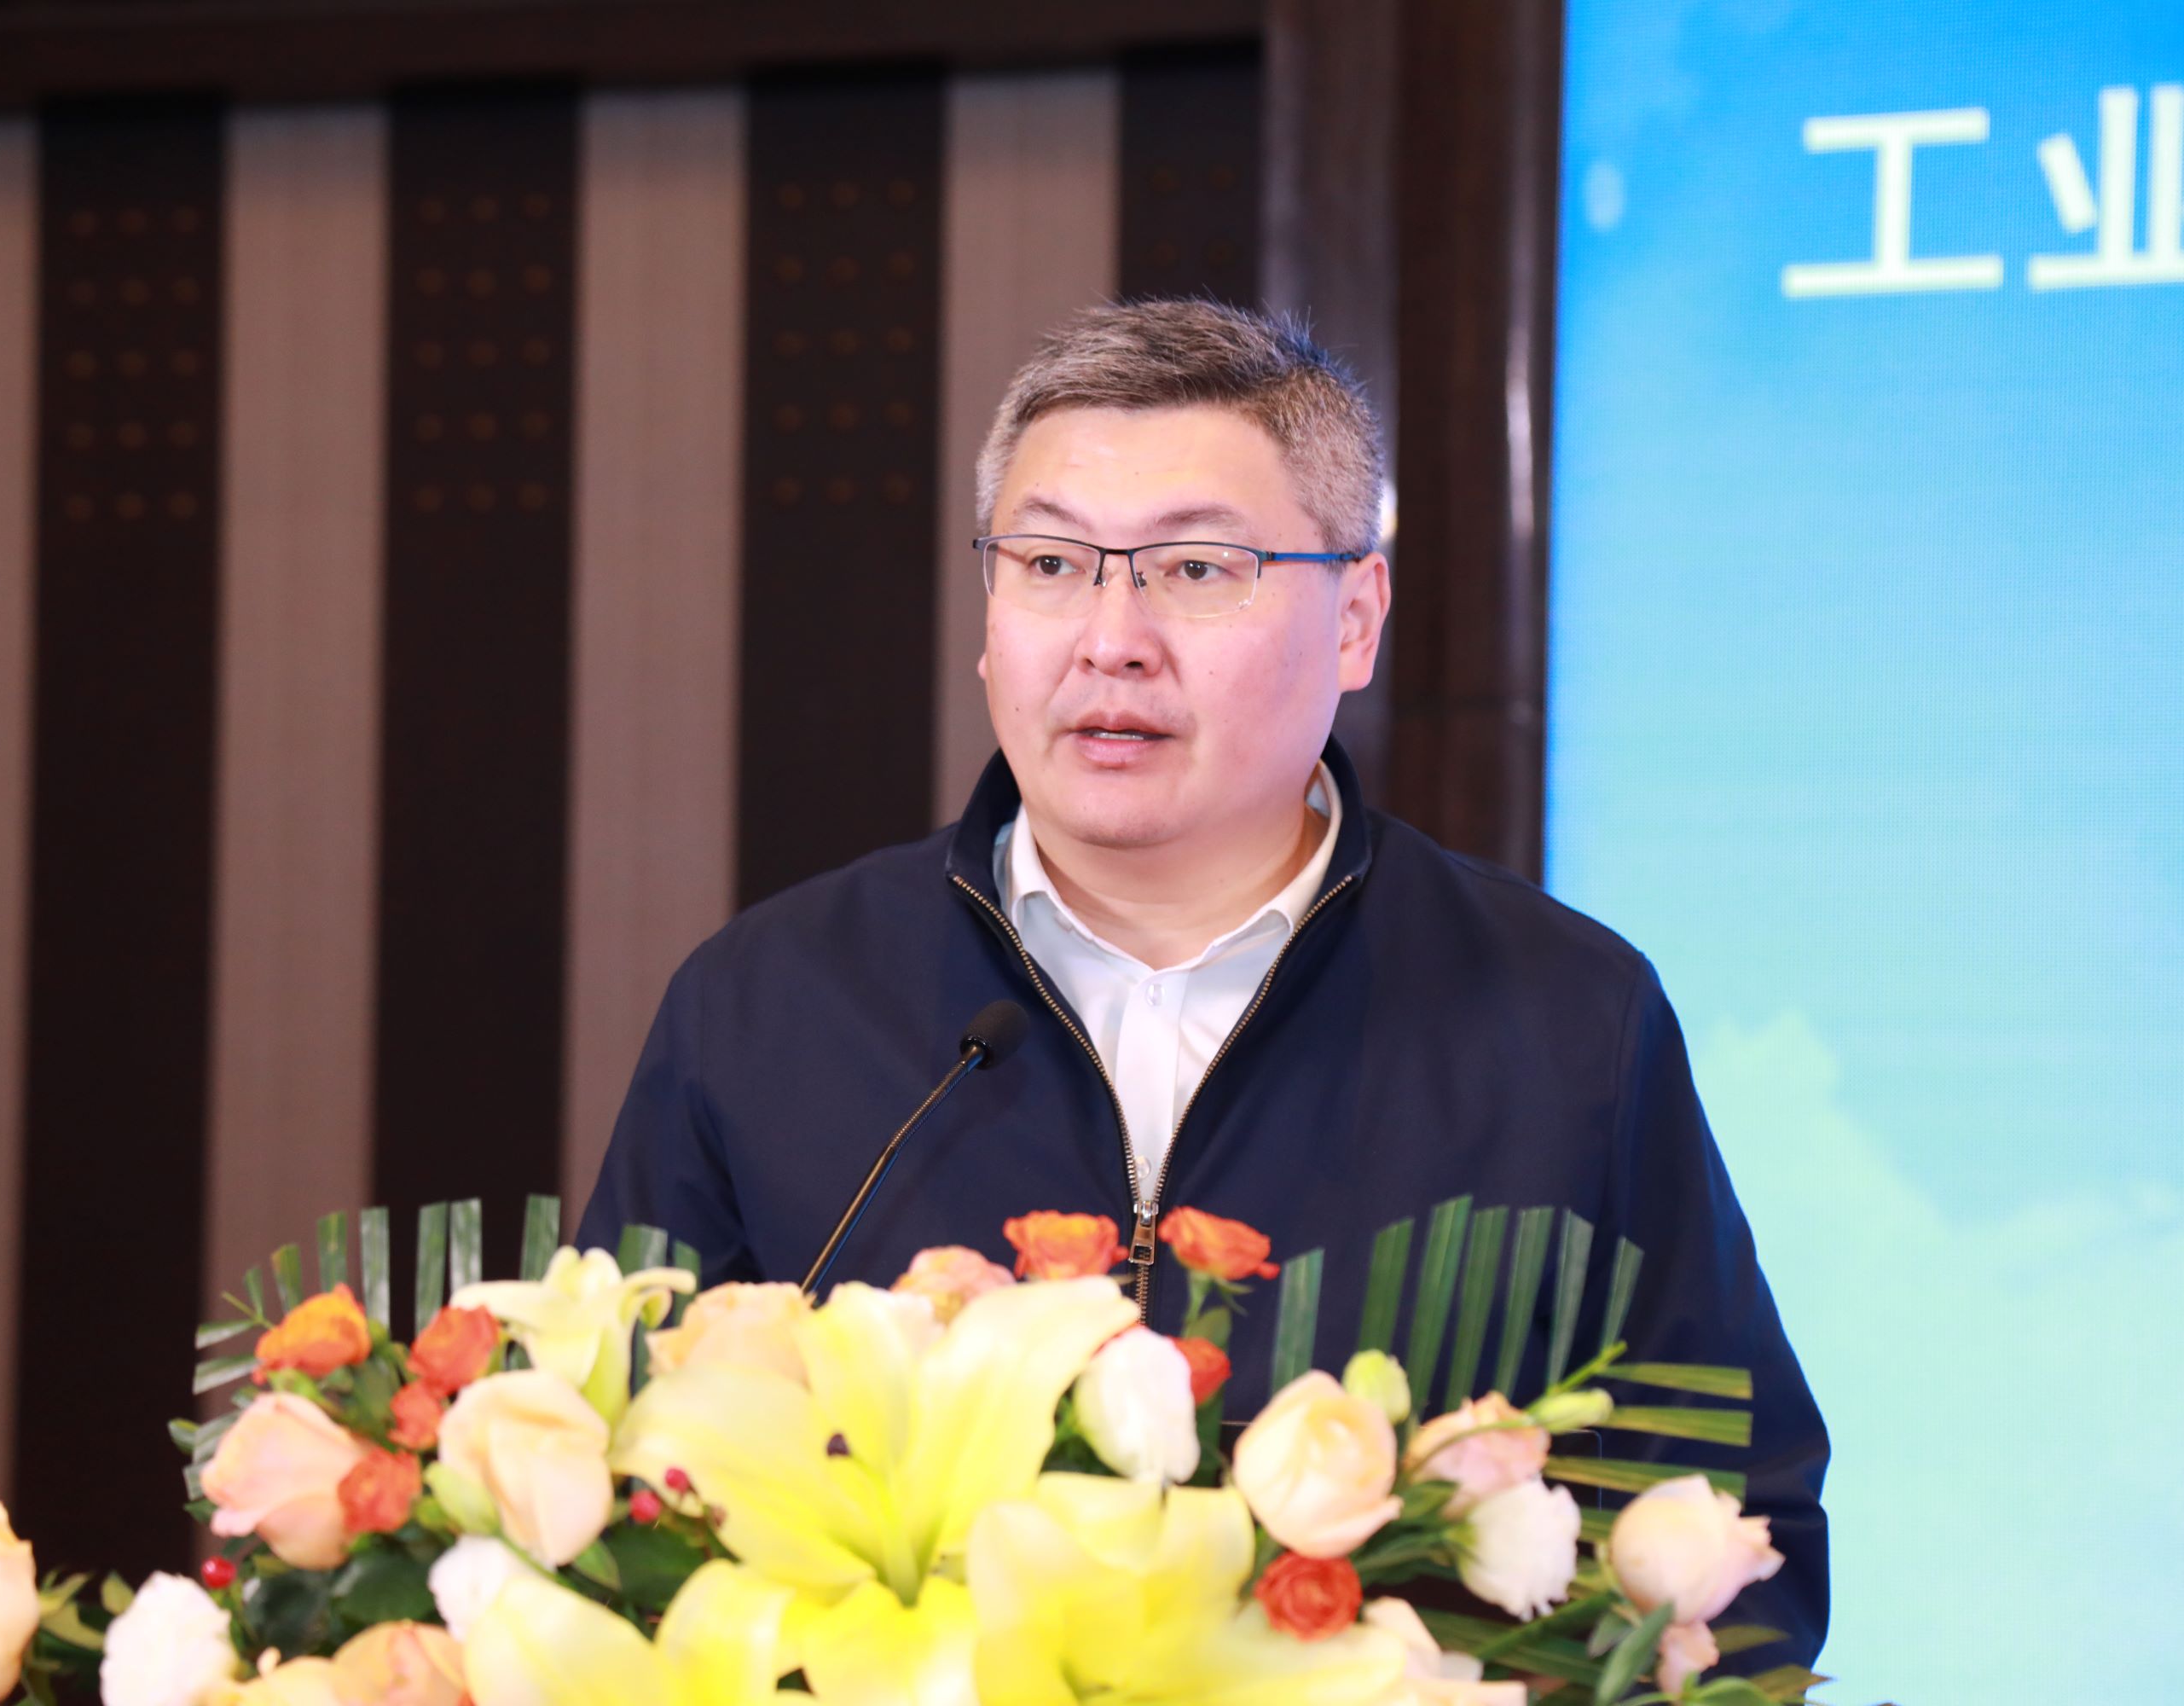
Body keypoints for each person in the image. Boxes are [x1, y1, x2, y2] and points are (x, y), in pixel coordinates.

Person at [579, 299, 1828, 1666]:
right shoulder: (768, 1007)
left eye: (1194, 568)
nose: (1111, 638)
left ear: (1356, 619)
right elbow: (616, 1508)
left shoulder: (1562, 1019)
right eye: (1050, 563)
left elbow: (1725, 1523)